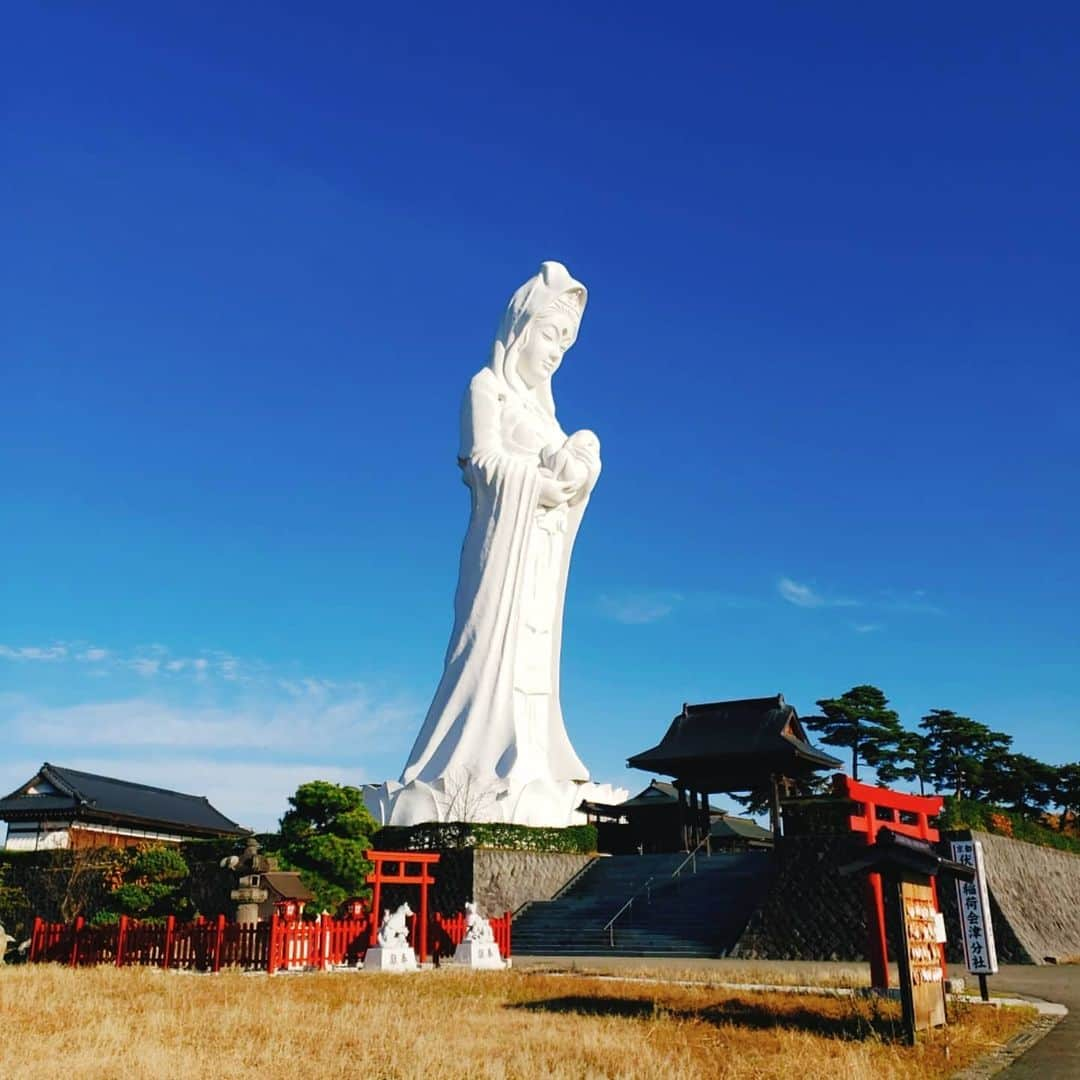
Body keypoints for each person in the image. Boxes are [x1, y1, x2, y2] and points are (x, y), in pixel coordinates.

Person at [392, 261, 603, 825]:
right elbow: (481, 462)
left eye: (566, 342)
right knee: (487, 649)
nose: (556, 351)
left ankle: (533, 760)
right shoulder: (487, 388)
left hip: (538, 551)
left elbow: (568, 473)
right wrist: (540, 478)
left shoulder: (545, 412)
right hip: (498, 548)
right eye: (550, 335)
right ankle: (472, 762)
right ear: (519, 330)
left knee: (536, 660)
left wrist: (581, 464)